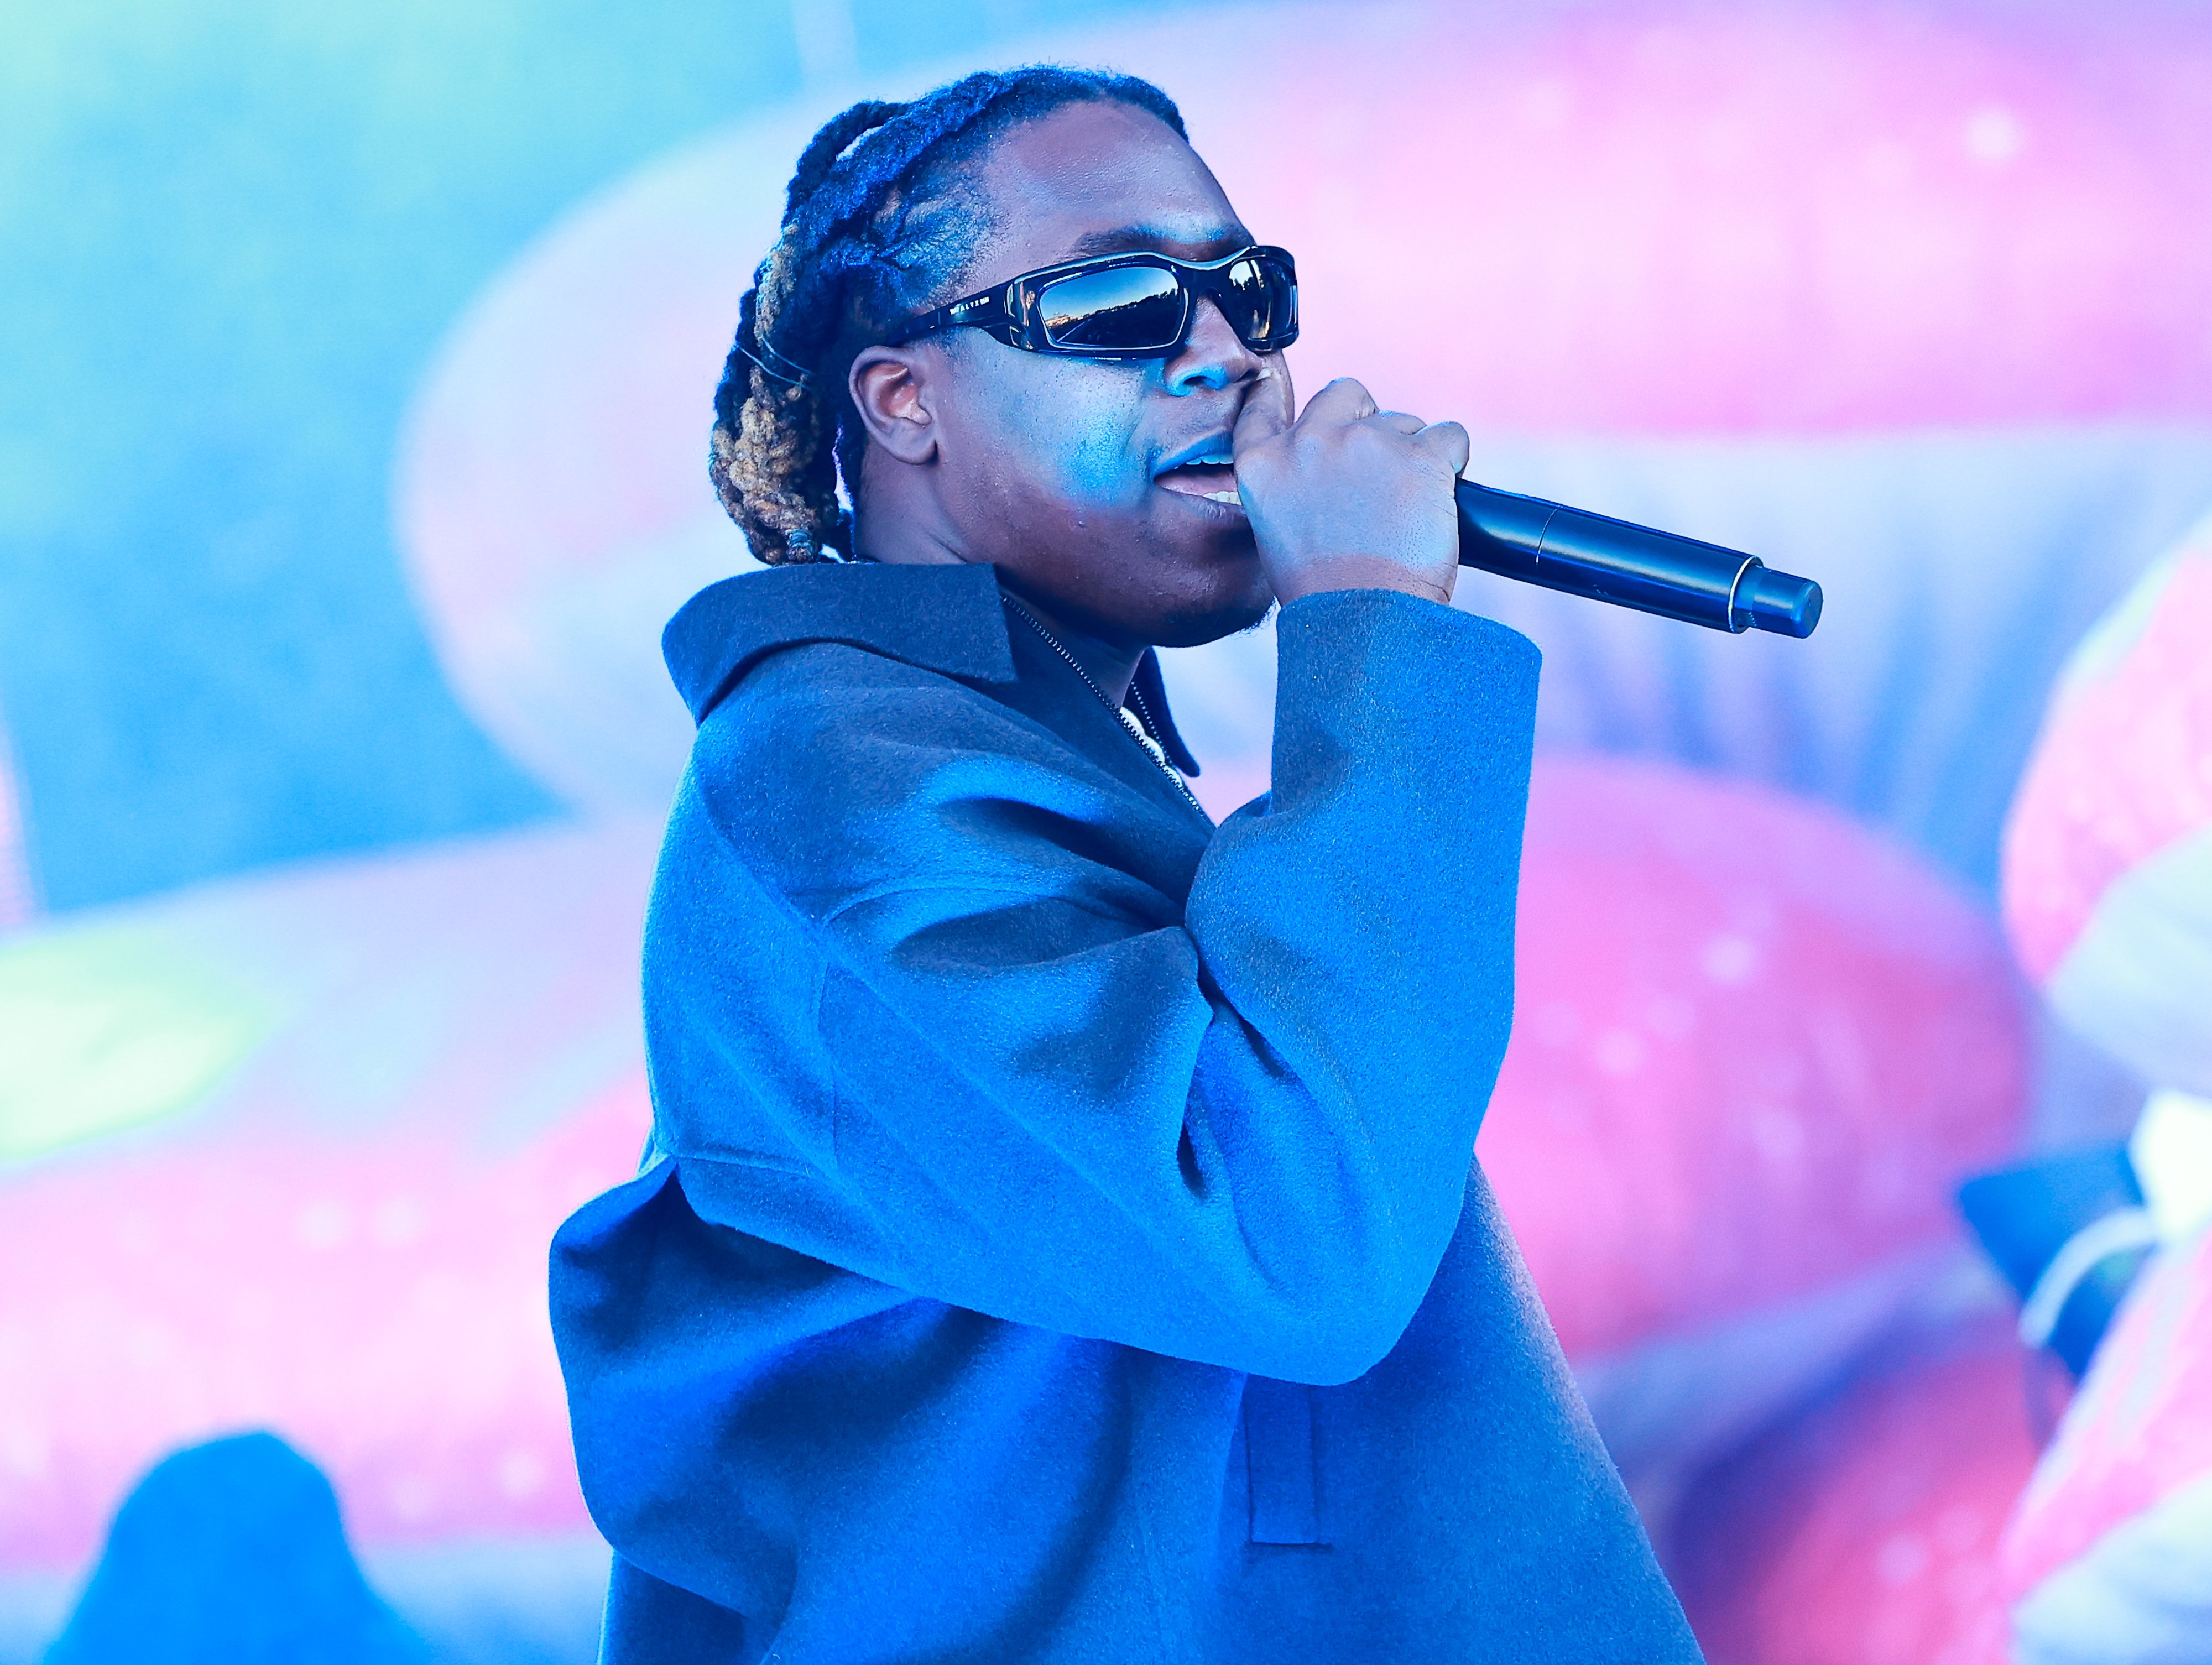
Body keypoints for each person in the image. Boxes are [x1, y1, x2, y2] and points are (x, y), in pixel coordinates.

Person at [550, 65, 1702, 1663]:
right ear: (903, 403)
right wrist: (1374, 634)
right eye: (1114, 303)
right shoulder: (834, 779)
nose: (1227, 351)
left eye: (1249, 292)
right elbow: (1294, 1235)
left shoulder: (1012, 759)